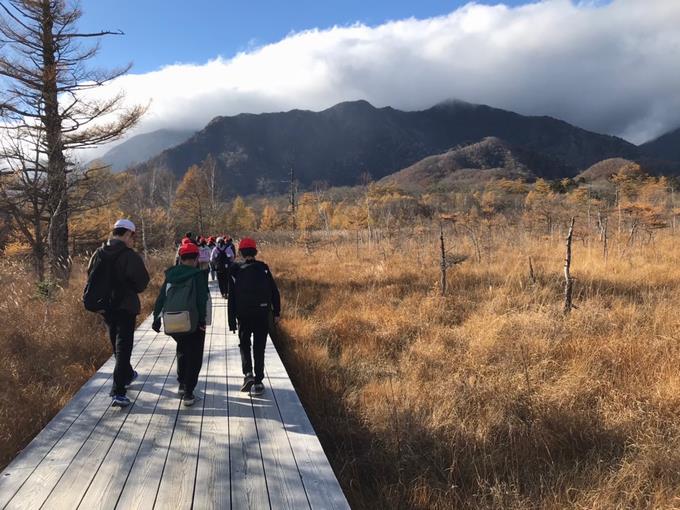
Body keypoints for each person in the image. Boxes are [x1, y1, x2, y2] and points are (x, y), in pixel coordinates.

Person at [88, 219, 150, 408]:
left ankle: (128, 374)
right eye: (133, 237)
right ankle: (118, 392)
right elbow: (142, 282)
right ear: (128, 234)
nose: (133, 240)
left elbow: (90, 274)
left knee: (116, 343)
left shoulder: (99, 253)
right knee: (123, 347)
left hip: (106, 306)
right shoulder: (129, 255)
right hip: (125, 306)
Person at [151, 242, 209, 406]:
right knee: (194, 356)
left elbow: (162, 297)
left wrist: (156, 317)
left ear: (180, 259)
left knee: (182, 350)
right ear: (196, 259)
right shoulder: (198, 275)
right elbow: (201, 299)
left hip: (173, 321)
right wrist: (202, 320)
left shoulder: (171, 275)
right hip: (193, 321)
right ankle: (189, 393)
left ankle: (182, 384)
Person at [228, 237, 280, 396]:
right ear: (255, 251)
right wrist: (276, 312)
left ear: (241, 252)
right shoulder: (263, 268)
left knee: (244, 344)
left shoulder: (235, 269)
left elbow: (232, 297)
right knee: (259, 346)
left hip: (243, 314)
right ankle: (258, 382)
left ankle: (248, 373)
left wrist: (231, 320)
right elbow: (274, 291)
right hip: (262, 313)